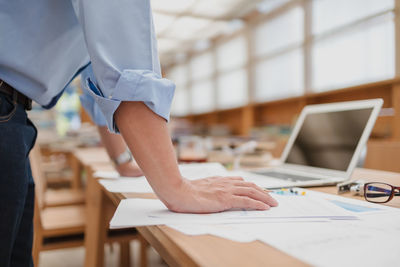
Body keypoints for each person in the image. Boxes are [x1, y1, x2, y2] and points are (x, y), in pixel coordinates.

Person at [0, 1, 278, 266]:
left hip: (13, 114)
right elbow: (127, 71)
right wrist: (177, 188)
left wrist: (122, 160)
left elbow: (96, 80)